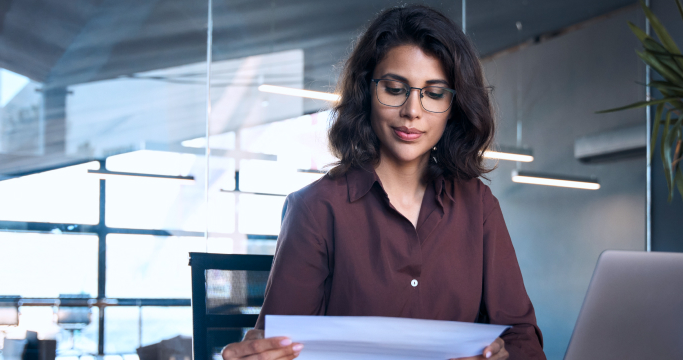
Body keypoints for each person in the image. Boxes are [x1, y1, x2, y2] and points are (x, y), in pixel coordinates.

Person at [221, 4, 546, 360]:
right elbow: (281, 345)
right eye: (394, 89)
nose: (412, 111)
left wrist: (504, 356)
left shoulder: (479, 206)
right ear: (367, 92)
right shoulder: (316, 208)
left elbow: (522, 339)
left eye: (434, 94)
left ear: (454, 106)